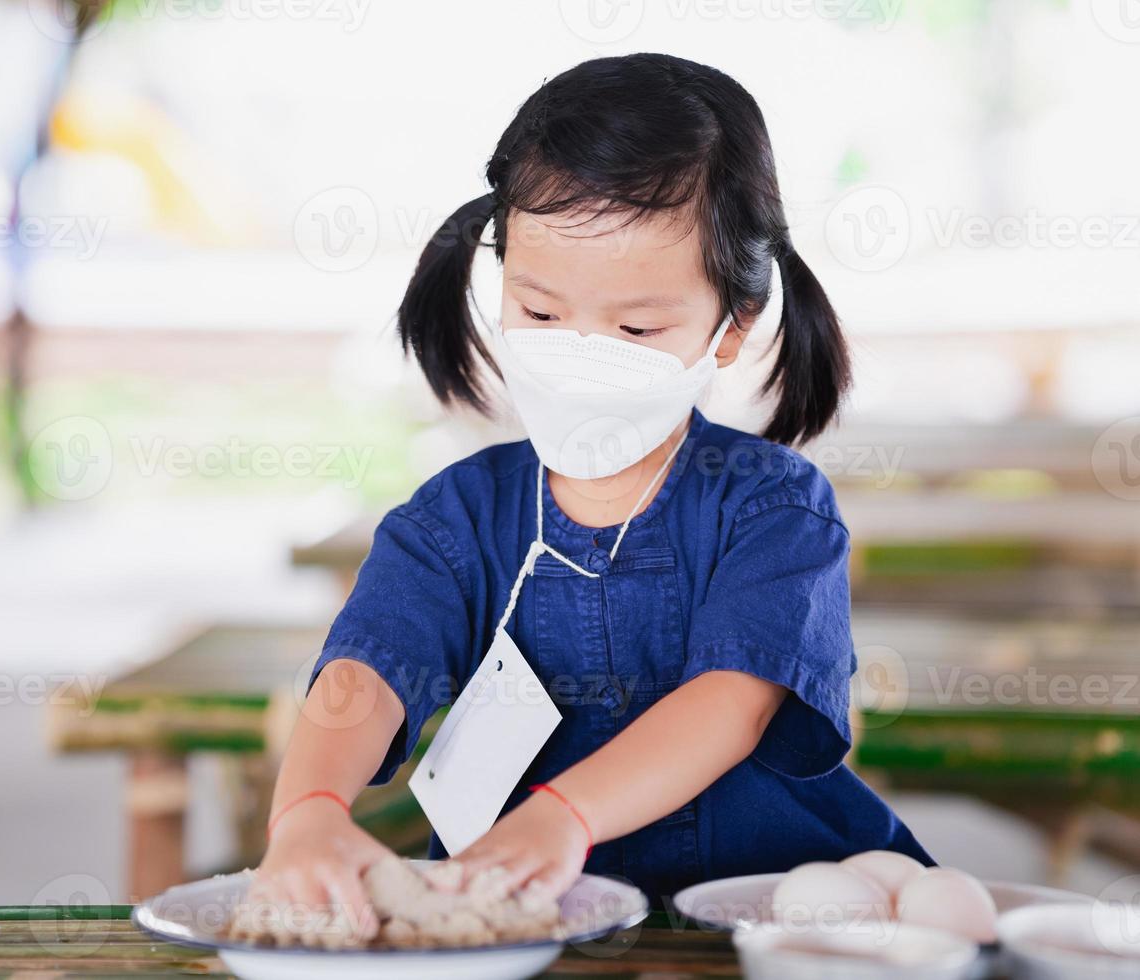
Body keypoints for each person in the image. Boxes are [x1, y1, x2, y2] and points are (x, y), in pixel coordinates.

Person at [254, 53, 931, 937]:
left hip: (775, 919)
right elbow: (367, 669)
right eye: (538, 312)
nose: (578, 349)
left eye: (636, 327)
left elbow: (732, 700)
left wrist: (561, 815)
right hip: (532, 926)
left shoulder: (773, 509)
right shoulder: (455, 520)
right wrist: (307, 810)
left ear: (730, 329)